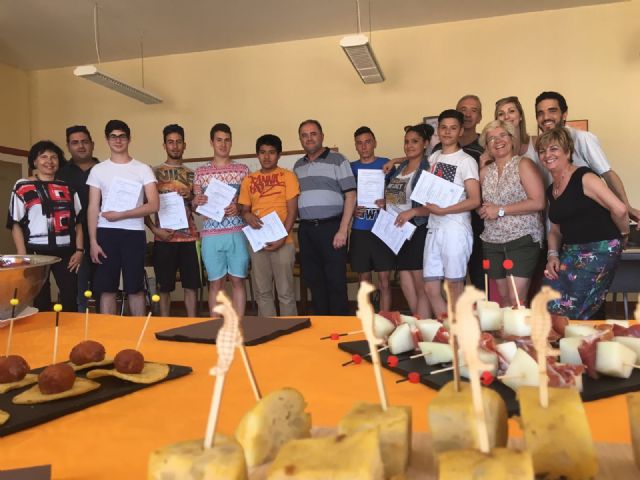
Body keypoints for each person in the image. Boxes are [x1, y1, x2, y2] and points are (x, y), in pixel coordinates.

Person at [540, 127, 628, 319]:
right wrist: (552, 255)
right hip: (570, 250)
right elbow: (555, 229)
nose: (547, 155)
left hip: (599, 249)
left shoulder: (585, 177)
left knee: (571, 308)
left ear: (567, 152)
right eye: (542, 151)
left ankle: (577, 345)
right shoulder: (551, 190)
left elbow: (620, 209)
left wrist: (623, 235)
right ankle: (563, 345)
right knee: (549, 301)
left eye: (553, 149)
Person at [87, 120, 159, 316]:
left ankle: (139, 334)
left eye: (122, 136)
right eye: (113, 136)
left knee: (135, 287)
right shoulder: (98, 170)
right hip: (106, 233)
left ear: (129, 139)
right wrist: (93, 241)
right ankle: (109, 335)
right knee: (107, 288)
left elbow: (153, 204)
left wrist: (122, 215)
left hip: (133, 233)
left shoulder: (143, 169)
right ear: (107, 139)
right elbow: (93, 207)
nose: (118, 140)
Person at [535, 91, 639, 223]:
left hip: (592, 223)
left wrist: (627, 208)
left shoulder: (583, 138)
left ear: (564, 114)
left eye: (552, 111)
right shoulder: (540, 147)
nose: (546, 117)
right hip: (564, 223)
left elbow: (607, 174)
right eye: (540, 113)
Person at [8, 140, 83, 312]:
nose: (49, 161)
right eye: (43, 157)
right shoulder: (22, 186)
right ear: (35, 161)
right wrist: (22, 256)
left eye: (53, 157)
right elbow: (15, 223)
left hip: (67, 252)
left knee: (70, 296)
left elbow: (78, 222)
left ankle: (69, 335)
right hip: (36, 252)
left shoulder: (67, 187)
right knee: (40, 299)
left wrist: (79, 251)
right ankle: (44, 337)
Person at [419, 110, 481, 315]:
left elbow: (474, 200)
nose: (447, 132)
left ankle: (460, 334)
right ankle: (448, 329)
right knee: (430, 287)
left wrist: (444, 210)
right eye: (443, 127)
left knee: (454, 287)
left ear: (461, 131)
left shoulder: (466, 161)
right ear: (438, 130)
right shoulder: (434, 157)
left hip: (455, 229)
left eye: (453, 128)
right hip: (434, 227)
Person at [477, 120, 545, 307]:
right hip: (492, 241)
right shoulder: (484, 173)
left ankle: (519, 336)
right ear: (486, 146)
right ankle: (509, 336)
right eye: (491, 138)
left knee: (516, 299)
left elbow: (538, 202)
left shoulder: (524, 164)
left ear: (511, 139)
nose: (497, 141)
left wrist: (499, 210)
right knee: (504, 299)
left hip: (521, 239)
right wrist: (483, 209)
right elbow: (483, 204)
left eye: (502, 135)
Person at [294, 119, 356, 315]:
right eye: (304, 135)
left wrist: (343, 230)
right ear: (300, 140)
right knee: (314, 281)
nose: (309, 138)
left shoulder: (338, 160)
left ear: (322, 136)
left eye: (313, 134)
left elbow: (351, 195)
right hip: (306, 230)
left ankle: (340, 329)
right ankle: (322, 328)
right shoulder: (298, 165)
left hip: (332, 228)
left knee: (336, 282)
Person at [239, 134, 299, 317]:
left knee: (285, 293)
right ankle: (267, 334)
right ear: (257, 155)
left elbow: (292, 211)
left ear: (279, 155)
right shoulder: (249, 180)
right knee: (263, 293)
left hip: (284, 242)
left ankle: (289, 335)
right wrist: (247, 214)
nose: (267, 157)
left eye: (272, 152)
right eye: (263, 152)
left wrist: (282, 238)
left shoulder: (288, 176)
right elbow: (244, 210)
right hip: (258, 243)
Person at [192, 123, 249, 317]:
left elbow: (248, 202)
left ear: (231, 142)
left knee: (238, 281)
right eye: (219, 140)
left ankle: (239, 326)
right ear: (211, 142)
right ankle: (214, 327)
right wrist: (196, 202)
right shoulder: (200, 172)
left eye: (227, 140)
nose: (223, 144)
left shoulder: (243, 170)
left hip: (236, 232)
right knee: (216, 283)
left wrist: (239, 207)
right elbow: (196, 207)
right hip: (211, 235)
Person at [145, 124, 201, 317]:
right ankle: (164, 324)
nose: (175, 146)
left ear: (184, 145)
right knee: (164, 287)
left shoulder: (193, 174)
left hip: (189, 238)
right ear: (164, 145)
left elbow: (199, 210)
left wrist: (191, 197)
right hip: (164, 238)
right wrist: (154, 230)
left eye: (178, 142)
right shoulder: (152, 173)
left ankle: (193, 323)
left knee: (192, 285)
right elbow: (143, 207)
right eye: (171, 142)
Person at [380, 124, 433, 318]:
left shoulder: (428, 167)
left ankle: (424, 327)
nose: (409, 145)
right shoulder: (400, 167)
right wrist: (384, 201)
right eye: (406, 142)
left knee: (420, 284)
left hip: (417, 229)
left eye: (415, 141)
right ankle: (417, 322)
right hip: (397, 233)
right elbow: (397, 198)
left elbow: (436, 205)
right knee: (405, 283)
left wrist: (412, 212)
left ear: (425, 143)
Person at [348, 126, 394, 312]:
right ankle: (366, 322)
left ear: (374, 143)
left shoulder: (387, 165)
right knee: (364, 281)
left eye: (368, 142)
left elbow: (400, 194)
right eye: (360, 143)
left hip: (383, 229)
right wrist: (352, 211)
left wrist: (387, 201)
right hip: (360, 230)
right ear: (356, 146)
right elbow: (346, 197)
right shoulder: (351, 167)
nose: (364, 146)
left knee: (384, 282)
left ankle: (385, 321)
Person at [58, 125, 100, 312]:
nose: (81, 146)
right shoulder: (60, 174)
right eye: (75, 142)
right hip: (72, 243)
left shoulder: (105, 169)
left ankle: (106, 329)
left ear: (92, 144)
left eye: (84, 141)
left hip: (104, 236)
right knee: (77, 291)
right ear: (68, 146)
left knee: (104, 289)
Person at [494, 96, 536, 160]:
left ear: (520, 116)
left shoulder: (536, 142)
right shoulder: (494, 148)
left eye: (511, 111)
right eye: (501, 114)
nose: (506, 117)